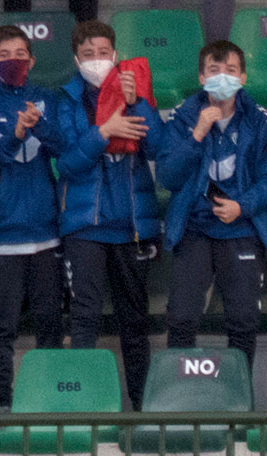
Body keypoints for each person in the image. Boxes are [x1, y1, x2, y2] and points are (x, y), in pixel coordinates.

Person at [52, 20, 167, 410]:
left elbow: (160, 152)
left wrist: (140, 105)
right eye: (88, 55)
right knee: (84, 320)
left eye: (103, 53)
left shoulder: (135, 90)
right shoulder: (66, 101)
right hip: (85, 226)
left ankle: (142, 405)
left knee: (135, 323)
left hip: (131, 225)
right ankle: (83, 405)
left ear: (115, 55)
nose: (97, 61)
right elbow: (65, 164)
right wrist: (103, 132)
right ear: (76, 59)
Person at [156, 40, 267, 369]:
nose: (222, 77)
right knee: (181, 320)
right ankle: (179, 407)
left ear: (243, 78)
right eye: (214, 70)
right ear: (201, 77)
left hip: (241, 229)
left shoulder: (258, 121)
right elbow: (167, 177)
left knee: (243, 323)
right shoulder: (182, 118)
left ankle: (239, 414)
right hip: (195, 228)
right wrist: (197, 134)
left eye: (230, 71)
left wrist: (242, 206)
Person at [0, 25, 67, 411]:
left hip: (46, 234)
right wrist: (16, 135)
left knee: (50, 326)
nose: (14, 61)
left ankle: (50, 401)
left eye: (21, 53)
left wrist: (39, 125)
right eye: (4, 55)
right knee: (1, 329)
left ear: (33, 60)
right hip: (1, 236)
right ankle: (3, 404)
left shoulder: (45, 98)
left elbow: (64, 147)